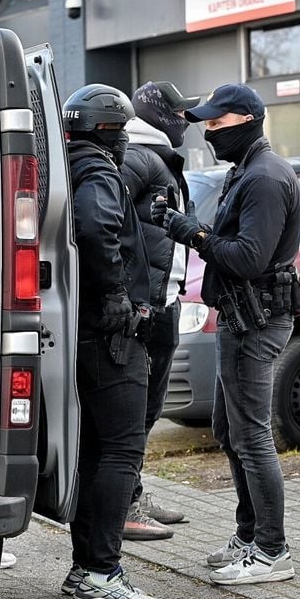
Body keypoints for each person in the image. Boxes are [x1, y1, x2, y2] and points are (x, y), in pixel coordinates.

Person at [153, 84, 300, 586]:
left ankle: (271, 550)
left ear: (247, 120)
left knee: (251, 435)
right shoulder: (248, 170)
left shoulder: (264, 177)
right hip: (242, 317)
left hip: (255, 321)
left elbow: (248, 258)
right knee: (228, 427)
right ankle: (249, 535)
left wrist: (190, 232)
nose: (210, 133)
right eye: (207, 125)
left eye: (217, 124)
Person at [62, 84, 160, 599]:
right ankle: (101, 572)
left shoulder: (65, 165)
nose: (125, 141)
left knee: (97, 451)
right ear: (107, 131)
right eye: (121, 131)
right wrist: (117, 293)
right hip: (111, 335)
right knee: (123, 450)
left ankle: (86, 568)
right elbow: (97, 227)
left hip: (83, 330)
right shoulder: (98, 171)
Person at [118, 81, 199, 541]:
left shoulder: (156, 156)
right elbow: (103, 220)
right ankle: (125, 506)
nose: (186, 121)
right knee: (136, 413)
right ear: (160, 115)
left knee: (148, 411)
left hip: (161, 303)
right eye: (180, 112)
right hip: (146, 309)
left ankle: (134, 493)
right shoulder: (138, 156)